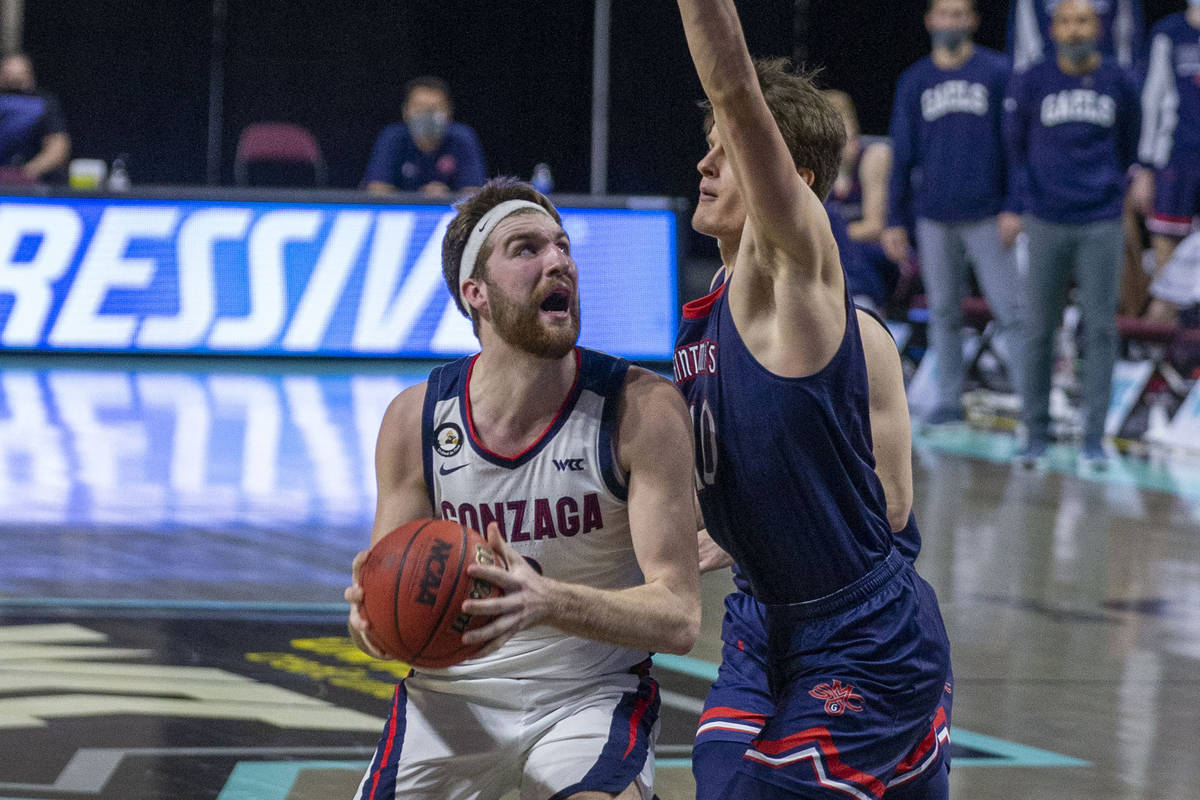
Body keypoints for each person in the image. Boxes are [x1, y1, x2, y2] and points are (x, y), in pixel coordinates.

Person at [673, 1, 953, 797]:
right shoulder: (705, 315)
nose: (705, 166)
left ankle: (911, 730)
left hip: (861, 632)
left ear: (785, 182)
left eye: (727, 153)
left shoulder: (805, 294)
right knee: (722, 780)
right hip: (762, 620)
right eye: (707, 151)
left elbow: (893, 507)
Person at [344, 176, 701, 800]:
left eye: (562, 245)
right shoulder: (416, 421)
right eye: (526, 248)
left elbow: (678, 616)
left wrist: (546, 600)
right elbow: (385, 612)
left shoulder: (641, 410)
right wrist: (370, 622)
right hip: (452, 694)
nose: (558, 260)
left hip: (588, 696)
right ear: (474, 293)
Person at [1004, 0, 1140, 467]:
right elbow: (1016, 145)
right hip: (1045, 218)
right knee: (1039, 328)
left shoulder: (1120, 79)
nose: (1074, 29)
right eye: (1066, 20)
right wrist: (1024, 205)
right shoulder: (1031, 80)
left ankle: (1094, 438)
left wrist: (1112, 189)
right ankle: (1035, 432)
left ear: (1097, 27)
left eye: (1083, 20)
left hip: (1100, 219)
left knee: (1100, 329)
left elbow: (1129, 143)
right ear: (1053, 28)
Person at [882, 0, 1025, 426]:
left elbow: (1017, 146)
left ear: (974, 21)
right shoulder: (915, 80)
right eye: (944, 14)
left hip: (988, 213)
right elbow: (902, 155)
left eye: (959, 14)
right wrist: (894, 218)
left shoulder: (998, 73)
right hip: (933, 215)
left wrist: (1014, 207)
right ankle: (948, 401)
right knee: (943, 312)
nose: (951, 22)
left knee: (1010, 310)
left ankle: (1029, 402)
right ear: (929, 21)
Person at [1132, 0, 1200, 326]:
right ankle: (1163, 359)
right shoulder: (1168, 33)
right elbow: (1151, 100)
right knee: (1167, 268)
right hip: (1176, 160)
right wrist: (1144, 166)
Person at [824, 89, 899, 313]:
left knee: (836, 249)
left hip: (881, 256)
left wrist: (825, 235)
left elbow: (874, 227)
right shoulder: (815, 169)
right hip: (836, 257)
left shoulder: (874, 156)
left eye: (840, 122)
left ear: (853, 125)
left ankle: (861, 302)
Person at [362, 75, 486, 198]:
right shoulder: (392, 137)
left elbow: (475, 193)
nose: (427, 115)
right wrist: (418, 200)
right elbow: (376, 190)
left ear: (449, 111)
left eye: (434, 108)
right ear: (405, 111)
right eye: (420, 108)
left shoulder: (462, 137)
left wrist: (447, 198)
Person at [1007, 0, 1144, 73]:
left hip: (1105, 80)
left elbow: (1127, 45)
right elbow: (1023, 53)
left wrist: (1124, 82)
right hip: (1047, 83)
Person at [0, 52, 69, 184]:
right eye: (8, 75)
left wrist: (24, 174)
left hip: (34, 184)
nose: (15, 80)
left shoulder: (44, 102)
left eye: (20, 75)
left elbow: (58, 146)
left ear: (31, 76)